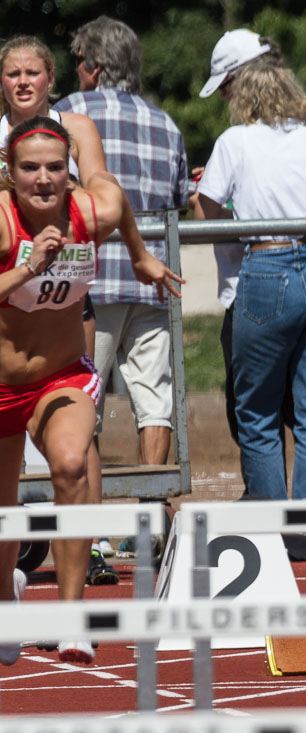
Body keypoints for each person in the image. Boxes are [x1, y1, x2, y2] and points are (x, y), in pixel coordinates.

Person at [55, 17, 190, 578]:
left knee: (81, 406)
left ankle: (88, 537)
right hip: (152, 275)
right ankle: (150, 517)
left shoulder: (67, 115)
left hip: (87, 278)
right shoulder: (166, 124)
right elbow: (179, 199)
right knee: (154, 401)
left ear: (91, 67)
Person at [196, 55, 306, 506]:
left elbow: (205, 210)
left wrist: (240, 219)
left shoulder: (235, 141)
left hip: (266, 265)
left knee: (258, 412)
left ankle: (273, 526)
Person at [0, 116, 125, 665]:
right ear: (11, 173)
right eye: (30, 168)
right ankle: (6, 593)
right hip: (2, 384)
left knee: (72, 465)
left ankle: (73, 618)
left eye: (55, 167)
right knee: (3, 506)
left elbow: (117, 203)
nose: (44, 179)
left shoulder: (88, 212)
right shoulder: (3, 222)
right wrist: (29, 268)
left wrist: (141, 255)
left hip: (60, 375)